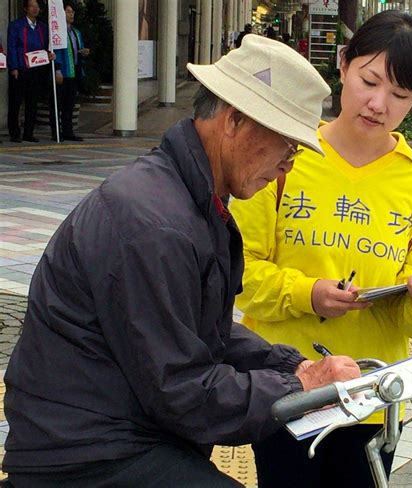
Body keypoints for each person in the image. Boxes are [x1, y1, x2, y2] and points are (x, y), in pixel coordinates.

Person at [3, 34, 361, 487]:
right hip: (83, 453)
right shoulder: (157, 223)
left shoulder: (186, 196)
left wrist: (288, 366)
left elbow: (198, 327)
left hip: (115, 431)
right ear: (234, 122)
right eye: (287, 146)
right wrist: (299, 388)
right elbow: (181, 388)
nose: (287, 166)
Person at [230, 11, 412, 488]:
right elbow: (239, 273)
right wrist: (306, 292)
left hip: (372, 401)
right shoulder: (287, 154)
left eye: (399, 95)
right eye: (369, 81)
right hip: (287, 388)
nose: (378, 104)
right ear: (343, 64)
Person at [7, 0, 54, 143]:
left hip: (36, 70)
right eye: (32, 6)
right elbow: (12, 47)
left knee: (32, 102)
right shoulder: (16, 26)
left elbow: (46, 46)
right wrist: (14, 67)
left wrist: (49, 55)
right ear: (25, 9)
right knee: (16, 102)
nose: (35, 9)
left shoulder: (43, 28)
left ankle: (29, 132)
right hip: (21, 69)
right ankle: (15, 132)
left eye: (37, 6)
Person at [51, 1, 90, 142]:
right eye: (68, 11)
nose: (71, 14)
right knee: (58, 104)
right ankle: (56, 131)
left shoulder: (76, 32)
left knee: (69, 104)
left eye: (72, 12)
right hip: (62, 73)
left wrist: (83, 52)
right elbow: (55, 52)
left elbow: (78, 49)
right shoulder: (56, 33)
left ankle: (68, 131)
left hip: (74, 72)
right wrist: (57, 69)